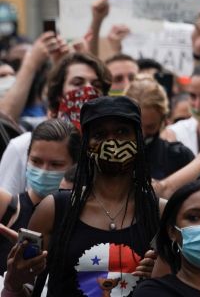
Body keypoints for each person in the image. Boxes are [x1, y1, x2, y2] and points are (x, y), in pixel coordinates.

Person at [15, 96, 162, 296]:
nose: (112, 142)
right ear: (86, 145)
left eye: (122, 132)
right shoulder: (54, 210)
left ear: (138, 138)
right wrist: (15, 280)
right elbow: (27, 286)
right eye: (100, 134)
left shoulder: (160, 212)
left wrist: (161, 276)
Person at [0, 52, 110, 195]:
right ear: (59, 93)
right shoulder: (23, 146)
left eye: (96, 85)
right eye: (77, 83)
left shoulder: (111, 149)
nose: (88, 90)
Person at [0, 119, 79, 273]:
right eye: (36, 161)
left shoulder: (83, 216)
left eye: (56, 164)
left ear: (75, 165)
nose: (43, 171)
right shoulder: (5, 207)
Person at [126, 74, 195, 179]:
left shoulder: (179, 157)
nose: (143, 135)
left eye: (150, 127)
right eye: (136, 127)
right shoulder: (110, 157)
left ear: (163, 119)